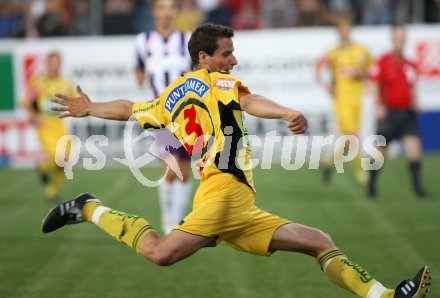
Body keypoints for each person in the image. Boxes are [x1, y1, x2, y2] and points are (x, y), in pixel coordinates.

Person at [43, 23, 430, 298]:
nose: (234, 60)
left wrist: (91, 106)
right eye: (227, 53)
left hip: (237, 202)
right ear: (205, 57)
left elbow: (130, 108)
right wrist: (284, 113)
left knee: (318, 240)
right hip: (222, 195)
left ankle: (385, 295)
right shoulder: (217, 81)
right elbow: (249, 100)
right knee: (159, 253)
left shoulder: (170, 94)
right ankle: (88, 207)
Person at [134, 0, 193, 234]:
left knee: (185, 170)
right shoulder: (142, 41)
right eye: (162, 7)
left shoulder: (187, 39)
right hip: (158, 113)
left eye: (171, 7)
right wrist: (143, 79)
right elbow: (138, 68)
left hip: (186, 114)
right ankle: (170, 220)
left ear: (176, 12)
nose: (166, 12)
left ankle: (177, 219)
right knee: (170, 167)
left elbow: (197, 70)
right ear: (154, 12)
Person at [367, 25, 428, 199]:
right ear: (393, 39)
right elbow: (373, 84)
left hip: (407, 114)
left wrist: (416, 101)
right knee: (380, 152)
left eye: (403, 38)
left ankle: (417, 189)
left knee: (414, 148)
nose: (400, 41)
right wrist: (378, 106)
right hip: (389, 114)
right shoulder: (383, 62)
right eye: (398, 37)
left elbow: (412, 87)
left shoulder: (410, 65)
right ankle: (371, 187)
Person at [315, 16, 372, 185]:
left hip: (357, 99)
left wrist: (361, 74)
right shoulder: (333, 52)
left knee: (348, 141)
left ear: (350, 30)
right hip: (341, 100)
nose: (344, 32)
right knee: (354, 136)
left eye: (347, 28)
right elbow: (318, 67)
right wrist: (327, 87)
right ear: (338, 32)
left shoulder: (361, 51)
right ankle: (361, 174)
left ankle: (328, 163)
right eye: (341, 29)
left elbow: (370, 69)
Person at [21, 51, 75, 204]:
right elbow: (25, 101)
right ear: (47, 63)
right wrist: (34, 115)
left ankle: (51, 189)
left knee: (65, 161)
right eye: (52, 62)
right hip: (45, 124)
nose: (55, 66)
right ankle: (43, 168)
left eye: (58, 63)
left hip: (59, 123)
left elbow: (73, 100)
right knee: (59, 157)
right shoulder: (39, 82)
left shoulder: (65, 83)